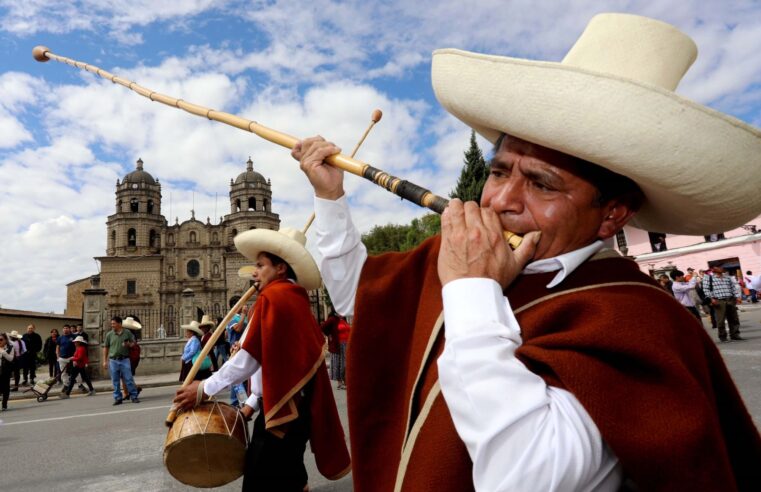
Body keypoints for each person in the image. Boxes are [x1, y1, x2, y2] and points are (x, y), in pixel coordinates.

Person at [294, 13, 761, 490]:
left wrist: (472, 290)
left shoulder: (639, 320)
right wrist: (330, 197)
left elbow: (526, 476)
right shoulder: (466, 261)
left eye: (541, 184)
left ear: (612, 215)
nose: (499, 201)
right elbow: (362, 301)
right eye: (499, 172)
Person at [173, 227, 351, 490]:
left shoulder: (275, 297)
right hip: (291, 408)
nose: (254, 272)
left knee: (260, 479)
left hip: (284, 411)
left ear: (280, 268)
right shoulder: (292, 298)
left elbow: (249, 357)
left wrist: (204, 387)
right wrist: (254, 403)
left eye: (260, 265)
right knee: (288, 475)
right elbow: (277, 362)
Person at [102, 316, 140, 405]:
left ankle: (134, 396)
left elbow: (133, 344)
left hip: (125, 359)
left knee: (129, 379)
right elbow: (106, 347)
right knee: (115, 380)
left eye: (114, 323)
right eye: (111, 323)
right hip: (113, 360)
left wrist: (128, 344)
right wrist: (105, 360)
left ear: (119, 324)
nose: (112, 325)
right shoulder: (109, 335)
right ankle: (118, 398)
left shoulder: (127, 333)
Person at [703, 266, 744, 342]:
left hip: (730, 299)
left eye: (721, 267)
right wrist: (711, 298)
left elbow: (733, 287)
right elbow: (706, 289)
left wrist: (737, 296)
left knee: (734, 318)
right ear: (713, 269)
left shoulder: (727, 277)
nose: (721, 269)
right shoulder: (709, 278)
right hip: (719, 300)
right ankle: (723, 336)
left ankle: (735, 335)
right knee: (721, 320)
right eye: (719, 267)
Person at [320, 311, 350, 389]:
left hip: (345, 344)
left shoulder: (343, 318)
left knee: (345, 364)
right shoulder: (332, 319)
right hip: (337, 345)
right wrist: (329, 335)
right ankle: (339, 383)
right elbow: (322, 327)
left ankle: (344, 381)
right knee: (338, 364)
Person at [121, 317, 142, 399]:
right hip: (133, 358)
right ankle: (130, 391)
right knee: (126, 376)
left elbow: (127, 345)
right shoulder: (133, 334)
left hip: (129, 357)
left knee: (125, 376)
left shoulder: (127, 335)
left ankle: (128, 392)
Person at [0, 333, 15, 411]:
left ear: (5, 340)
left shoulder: (10, 347)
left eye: (1, 339)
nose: (0, 341)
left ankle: (4, 405)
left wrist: (3, 352)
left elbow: (11, 359)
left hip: (5, 370)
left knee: (6, 388)